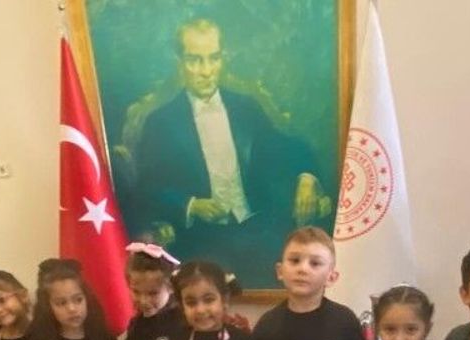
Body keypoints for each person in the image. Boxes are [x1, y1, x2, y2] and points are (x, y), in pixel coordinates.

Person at [134, 18, 330, 276]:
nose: (206, 71)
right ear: (179, 62)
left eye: (213, 58)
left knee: (290, 266)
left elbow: (288, 147)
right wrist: (191, 205)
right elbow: (148, 188)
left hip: (257, 227)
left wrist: (307, 177)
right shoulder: (160, 122)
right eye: (195, 60)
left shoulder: (245, 107)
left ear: (222, 59)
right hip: (201, 239)